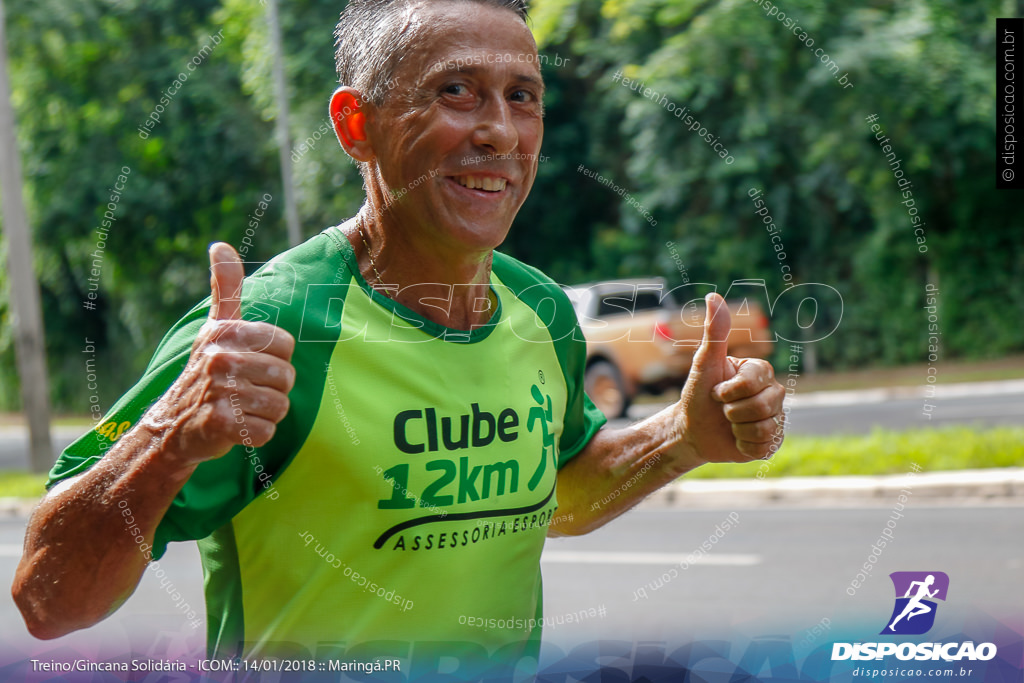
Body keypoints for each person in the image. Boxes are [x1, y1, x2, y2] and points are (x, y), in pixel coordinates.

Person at [12, 0, 786, 677]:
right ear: (357, 126)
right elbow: (48, 603)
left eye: (523, 98)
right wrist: (169, 437)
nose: (498, 131)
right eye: (456, 91)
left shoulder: (541, 311)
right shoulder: (271, 327)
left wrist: (681, 436)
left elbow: (559, 492)